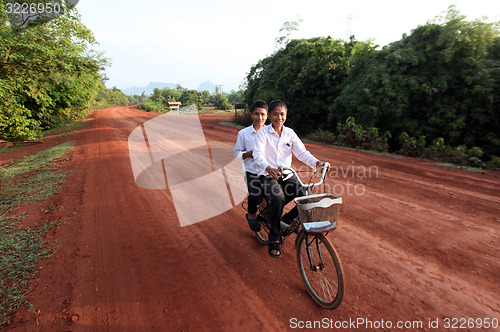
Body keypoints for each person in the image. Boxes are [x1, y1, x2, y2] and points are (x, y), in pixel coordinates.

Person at [253, 100, 327, 258]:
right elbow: (257, 154)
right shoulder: (263, 133)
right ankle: (274, 238)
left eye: (282, 114)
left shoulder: (290, 133)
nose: (279, 117)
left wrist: (317, 163)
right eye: (275, 114)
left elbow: (302, 153)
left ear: (286, 116)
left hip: (287, 174)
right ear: (270, 116)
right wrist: (268, 168)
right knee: (278, 198)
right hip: (268, 174)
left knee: (305, 194)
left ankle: (285, 219)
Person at [233, 100, 268, 232]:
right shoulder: (243, 133)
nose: (260, 118)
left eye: (263, 115)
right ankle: (252, 214)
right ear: (251, 115)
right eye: (256, 114)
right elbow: (236, 153)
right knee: (255, 193)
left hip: (267, 170)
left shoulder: (270, 132)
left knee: (279, 194)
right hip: (251, 171)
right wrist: (249, 154)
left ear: (267, 116)